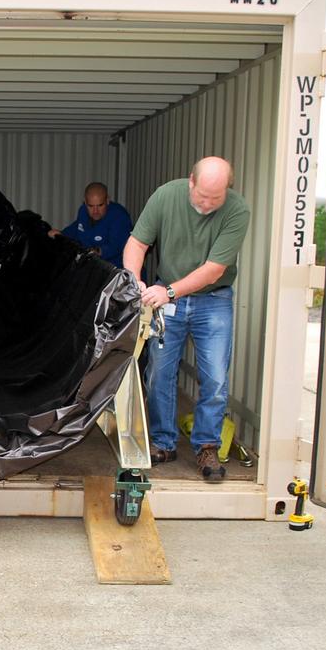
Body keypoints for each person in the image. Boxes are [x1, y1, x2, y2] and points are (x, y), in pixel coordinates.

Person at [122, 157, 251, 483]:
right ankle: (163, 442)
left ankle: (207, 445)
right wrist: (133, 278)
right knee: (159, 374)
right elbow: (138, 242)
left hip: (214, 300)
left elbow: (214, 269)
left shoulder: (237, 210)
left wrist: (169, 291)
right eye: (202, 196)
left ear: (228, 190)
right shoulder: (166, 196)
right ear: (190, 182)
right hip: (168, 299)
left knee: (216, 379)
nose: (208, 204)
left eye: (216, 198)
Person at [49, 182, 134, 271]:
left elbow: (117, 245)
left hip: (117, 271)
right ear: (85, 202)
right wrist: (60, 234)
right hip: (92, 269)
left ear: (107, 201)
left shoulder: (119, 216)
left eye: (100, 205)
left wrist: (99, 251)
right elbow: (76, 228)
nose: (95, 211)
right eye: (91, 206)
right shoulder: (83, 211)